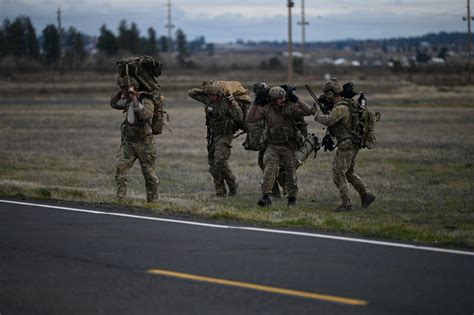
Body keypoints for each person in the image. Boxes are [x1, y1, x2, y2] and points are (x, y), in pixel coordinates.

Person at [246, 86, 315, 207]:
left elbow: (308, 111)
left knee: (290, 174)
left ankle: (292, 198)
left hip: (289, 147)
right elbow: (250, 119)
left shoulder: (290, 108)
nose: (282, 100)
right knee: (269, 170)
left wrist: (296, 99)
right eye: (279, 98)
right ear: (273, 100)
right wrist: (255, 102)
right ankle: (266, 197)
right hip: (273, 146)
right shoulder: (267, 109)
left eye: (283, 97)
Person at [313, 79, 376, 211]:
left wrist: (316, 113)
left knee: (338, 172)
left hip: (347, 144)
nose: (326, 97)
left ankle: (346, 204)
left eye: (327, 94)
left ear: (333, 93)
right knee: (349, 173)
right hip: (352, 143)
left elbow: (329, 120)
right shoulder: (344, 105)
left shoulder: (341, 108)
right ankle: (366, 195)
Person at [188, 83, 243, 196]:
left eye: (213, 95)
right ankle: (220, 190)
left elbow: (239, 117)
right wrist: (205, 89)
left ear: (219, 95)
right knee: (213, 165)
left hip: (224, 135)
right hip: (212, 135)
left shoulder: (226, 103)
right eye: (209, 95)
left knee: (219, 160)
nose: (211, 97)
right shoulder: (208, 100)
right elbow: (191, 93)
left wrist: (234, 104)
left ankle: (232, 183)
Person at [110, 78, 159, 203]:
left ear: (133, 88)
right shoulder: (126, 100)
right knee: (121, 169)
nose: (123, 91)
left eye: (124, 88)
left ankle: (152, 201)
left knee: (149, 173)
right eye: (122, 88)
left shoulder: (146, 100)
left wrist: (134, 98)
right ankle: (120, 198)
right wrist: (120, 93)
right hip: (129, 143)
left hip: (145, 143)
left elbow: (146, 115)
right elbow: (113, 104)